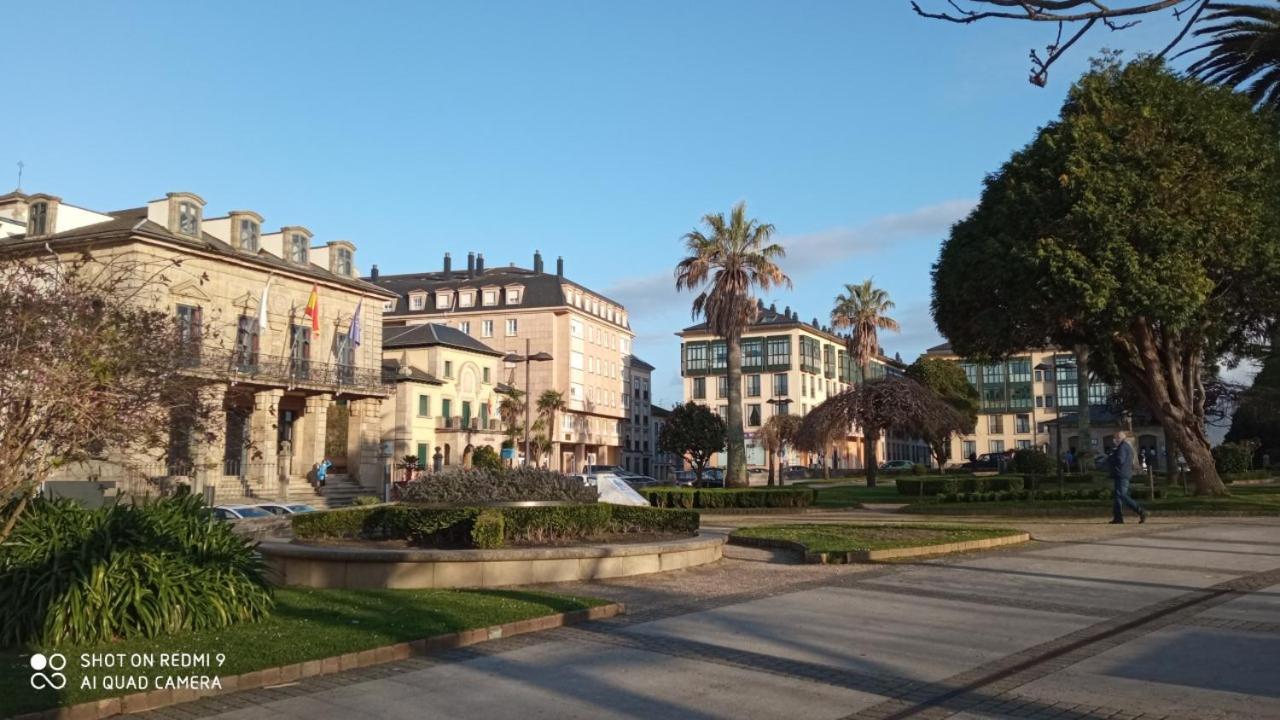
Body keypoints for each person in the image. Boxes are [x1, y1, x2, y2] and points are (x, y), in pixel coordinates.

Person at [1107, 431, 1147, 524]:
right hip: (1121, 473)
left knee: (1122, 495)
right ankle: (1118, 517)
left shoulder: (1123, 447)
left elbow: (1120, 459)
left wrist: (1111, 457)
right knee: (1118, 497)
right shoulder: (1126, 446)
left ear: (1120, 438)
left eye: (1116, 438)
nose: (1114, 440)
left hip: (1121, 474)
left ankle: (1140, 511)